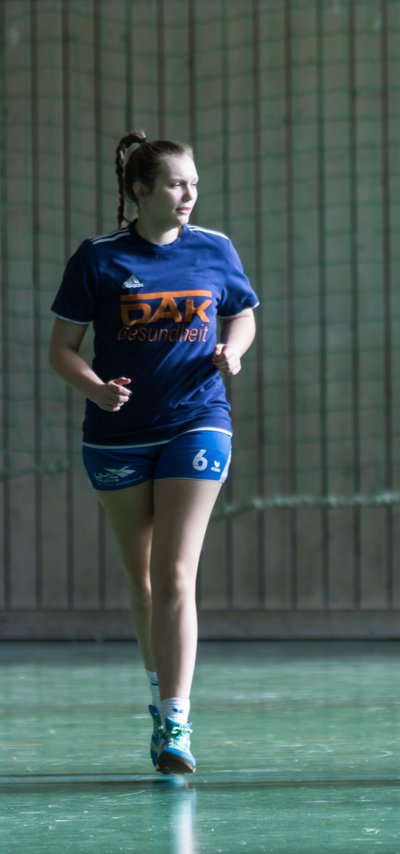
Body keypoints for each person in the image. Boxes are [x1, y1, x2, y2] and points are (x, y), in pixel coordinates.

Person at [48, 131, 259, 774]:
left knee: (174, 574)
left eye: (194, 182)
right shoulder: (98, 258)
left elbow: (243, 312)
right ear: (140, 191)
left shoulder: (215, 250)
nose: (189, 193)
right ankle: (156, 689)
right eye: (175, 183)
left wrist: (234, 350)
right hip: (116, 436)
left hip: (197, 421)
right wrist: (96, 388)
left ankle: (176, 722)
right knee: (141, 582)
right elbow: (61, 350)